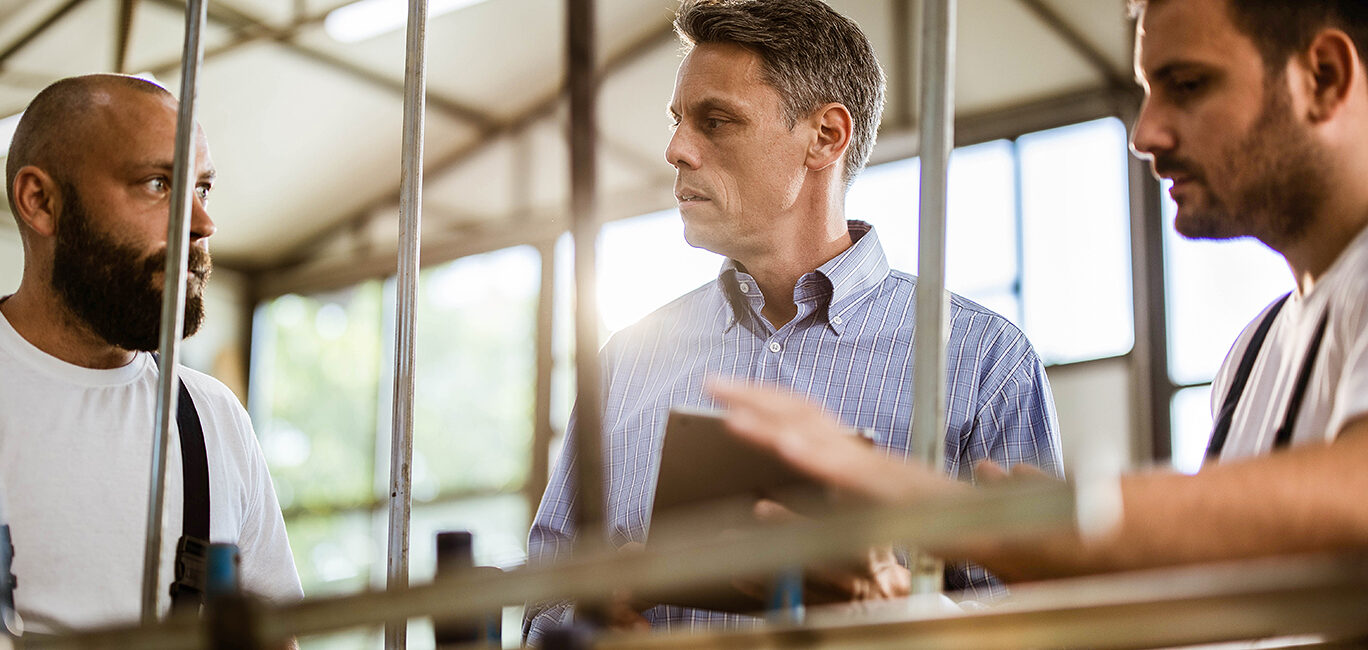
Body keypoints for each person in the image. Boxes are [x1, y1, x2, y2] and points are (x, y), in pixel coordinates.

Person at [711, 0, 1368, 583]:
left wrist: (960, 512)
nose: (1146, 134)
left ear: (1324, 78)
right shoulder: (1254, 358)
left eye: (1188, 85)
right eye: (1147, 92)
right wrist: (882, 596)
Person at [523, 0, 1063, 642]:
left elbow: (1041, 625)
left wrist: (890, 604)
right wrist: (580, 616)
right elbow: (540, 605)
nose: (675, 150)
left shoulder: (980, 363)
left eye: (715, 121)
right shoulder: (623, 363)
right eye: (678, 122)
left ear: (825, 137)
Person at [0, 74, 302, 644]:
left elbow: (276, 638)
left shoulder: (213, 419)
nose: (202, 224)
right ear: (40, 201)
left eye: (203, 189)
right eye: (158, 184)